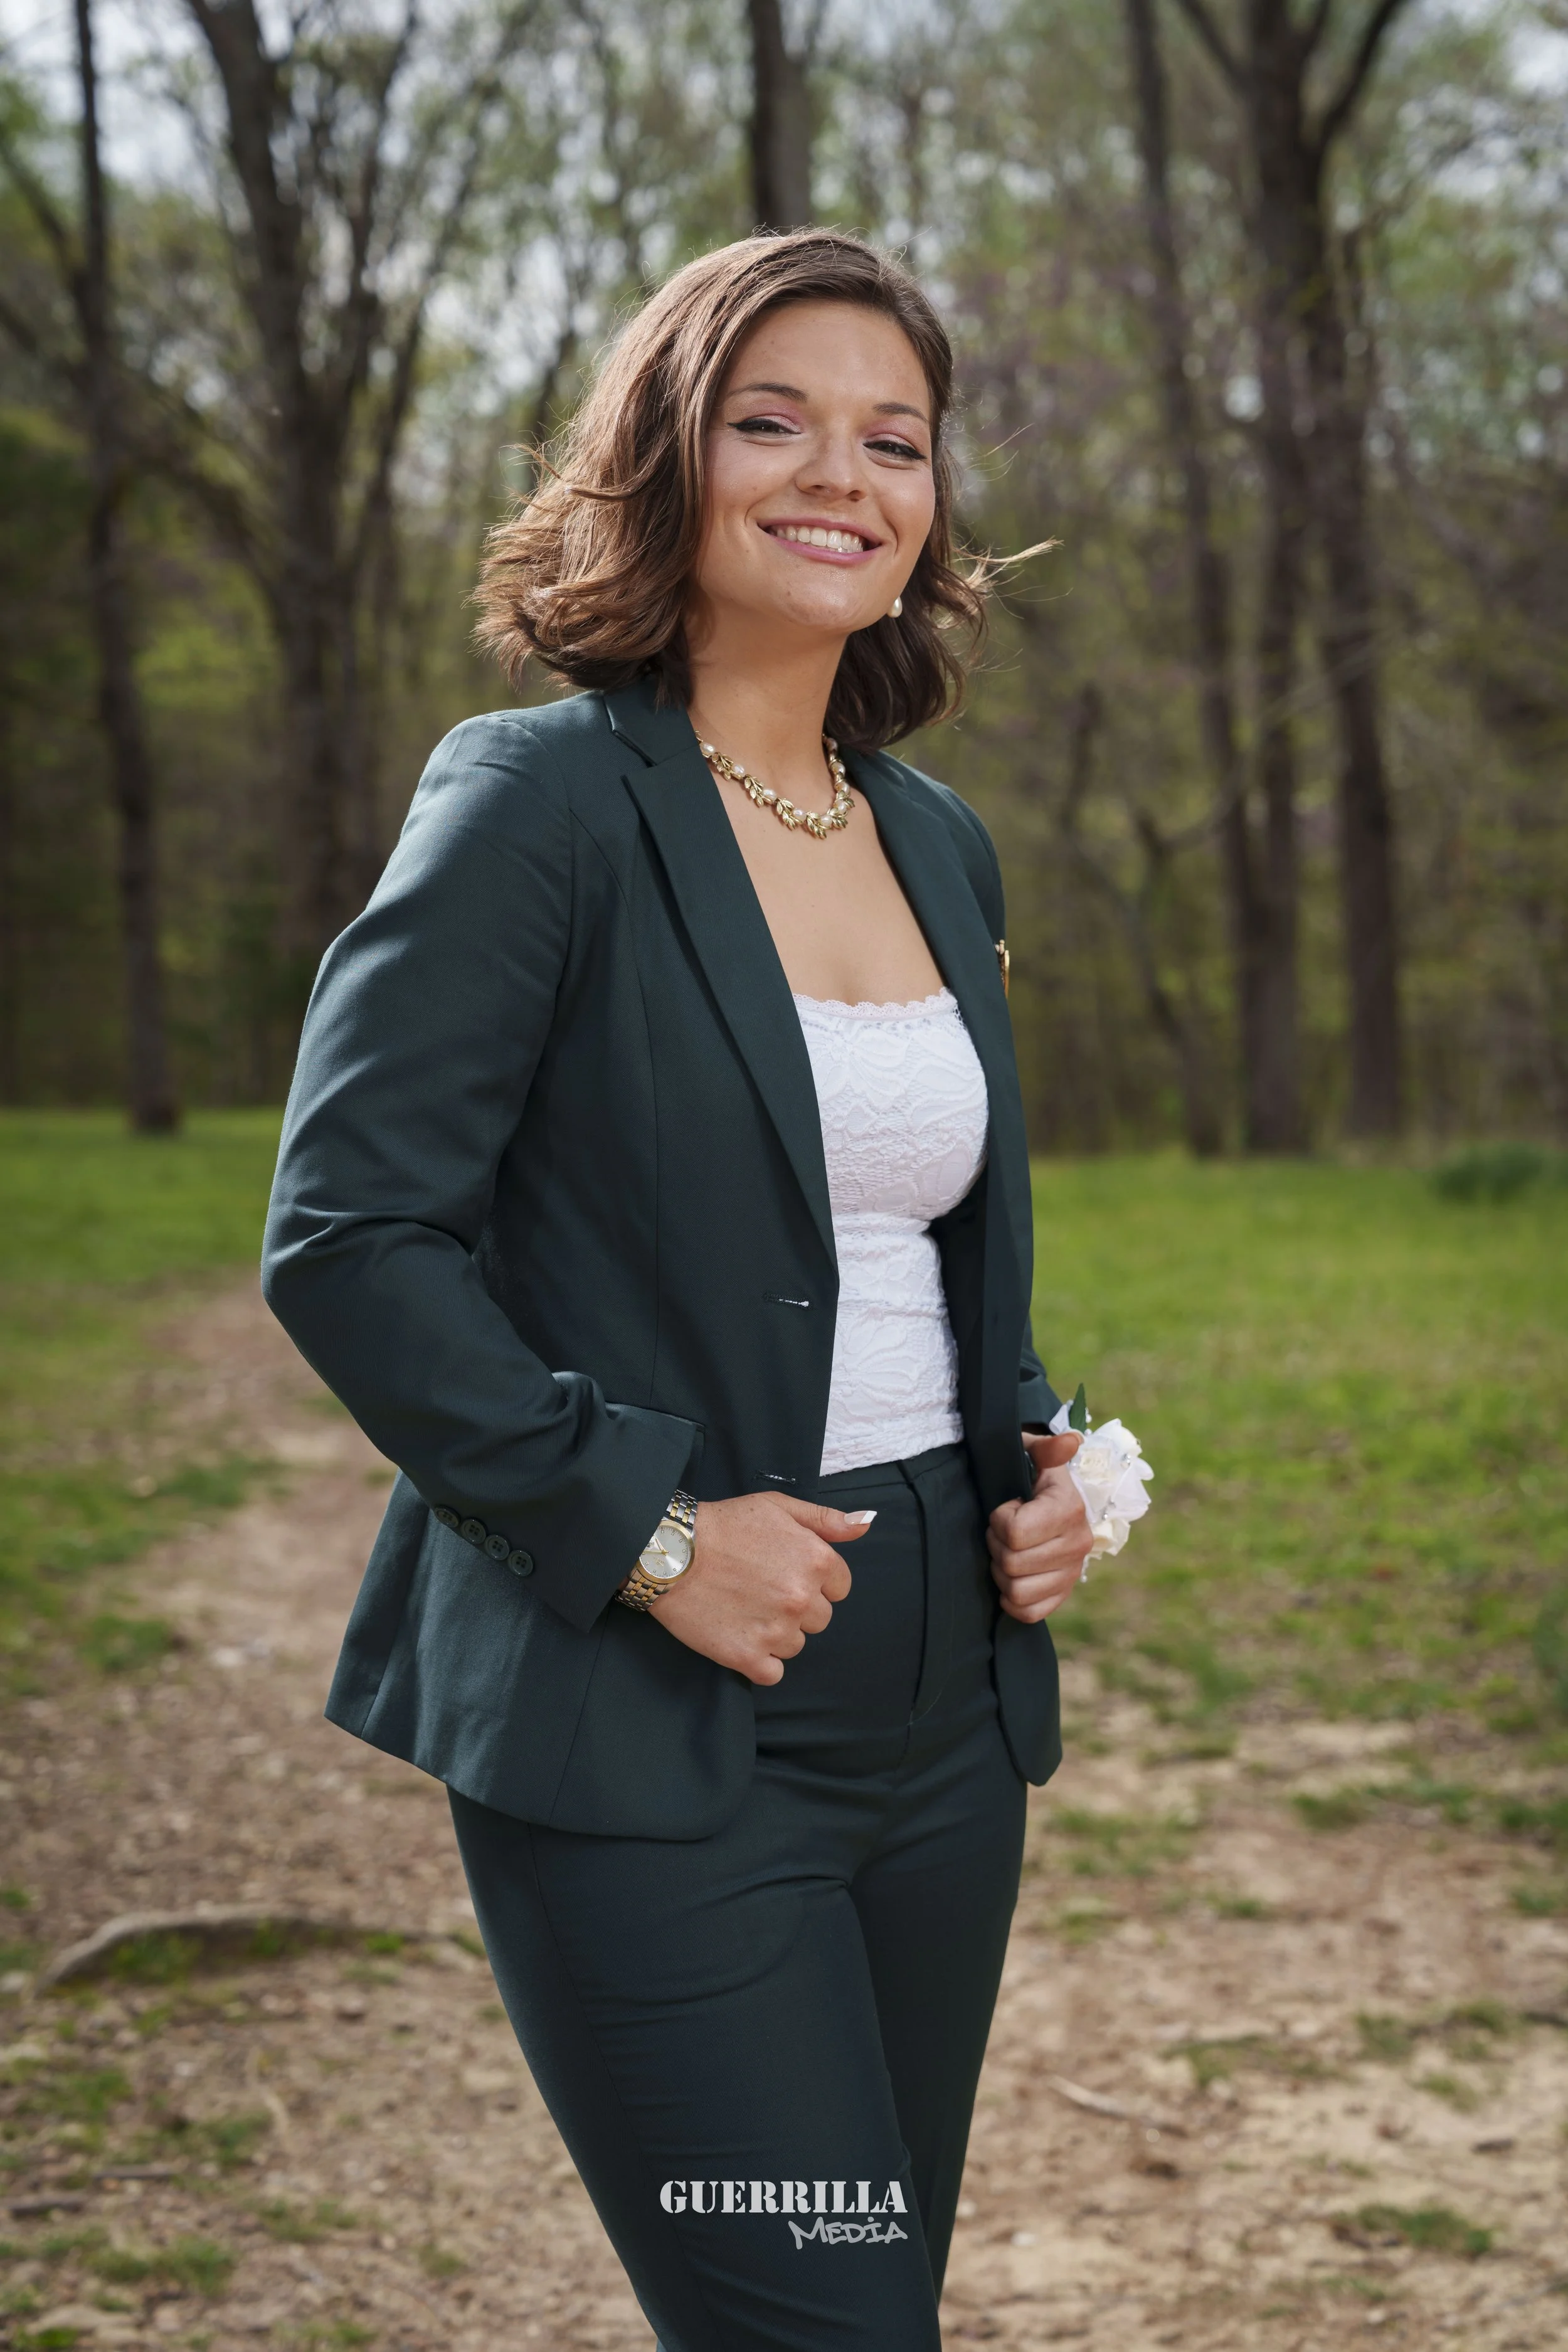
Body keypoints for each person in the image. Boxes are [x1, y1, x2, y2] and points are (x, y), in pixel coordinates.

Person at [262, 226, 1093, 2352]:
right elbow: (353, 1231)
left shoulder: (938, 840)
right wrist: (643, 1537)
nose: (844, 474)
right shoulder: (540, 800)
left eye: (893, 439)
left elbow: (885, 1242)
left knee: (869, 2299)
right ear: (669, 455)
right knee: (812, 2320)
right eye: (774, 420)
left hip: (941, 1702)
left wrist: (1051, 1465)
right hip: (655, 1716)